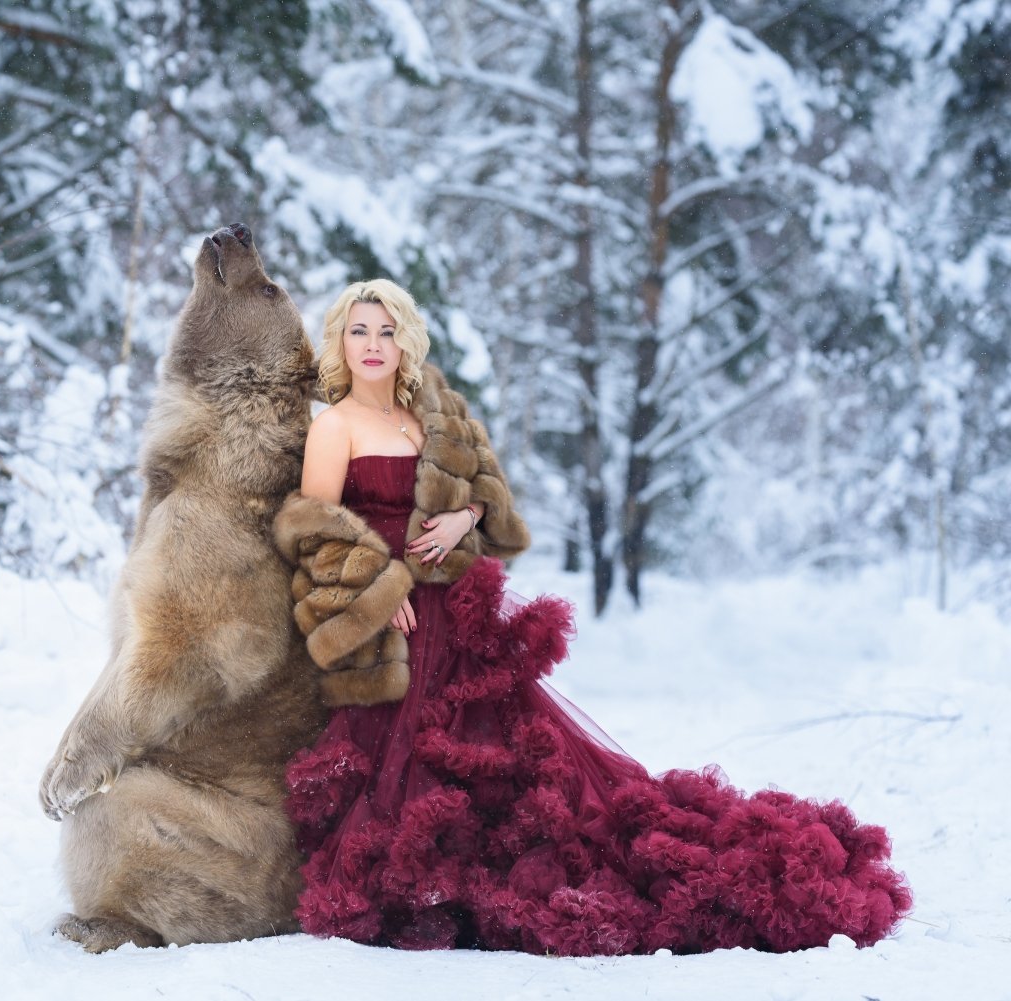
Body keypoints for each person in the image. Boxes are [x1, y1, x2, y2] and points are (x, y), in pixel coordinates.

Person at [274, 278, 910, 956]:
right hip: (392, 623)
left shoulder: (433, 411)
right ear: (341, 341)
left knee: (512, 756)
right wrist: (373, 583)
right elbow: (317, 528)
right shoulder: (334, 426)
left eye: (386, 330)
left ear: (406, 338)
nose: (373, 345)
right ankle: (427, 887)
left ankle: (471, 881)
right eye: (359, 331)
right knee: (402, 757)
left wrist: (464, 514)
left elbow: (486, 489)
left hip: (454, 609)